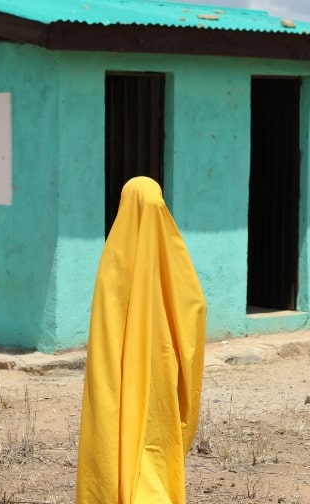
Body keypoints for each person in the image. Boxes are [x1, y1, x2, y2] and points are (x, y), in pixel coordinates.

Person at [76, 176, 207, 503]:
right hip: (163, 371)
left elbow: (105, 333)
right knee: (158, 443)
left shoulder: (112, 261)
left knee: (118, 436)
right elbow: (195, 310)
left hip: (121, 379)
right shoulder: (173, 253)